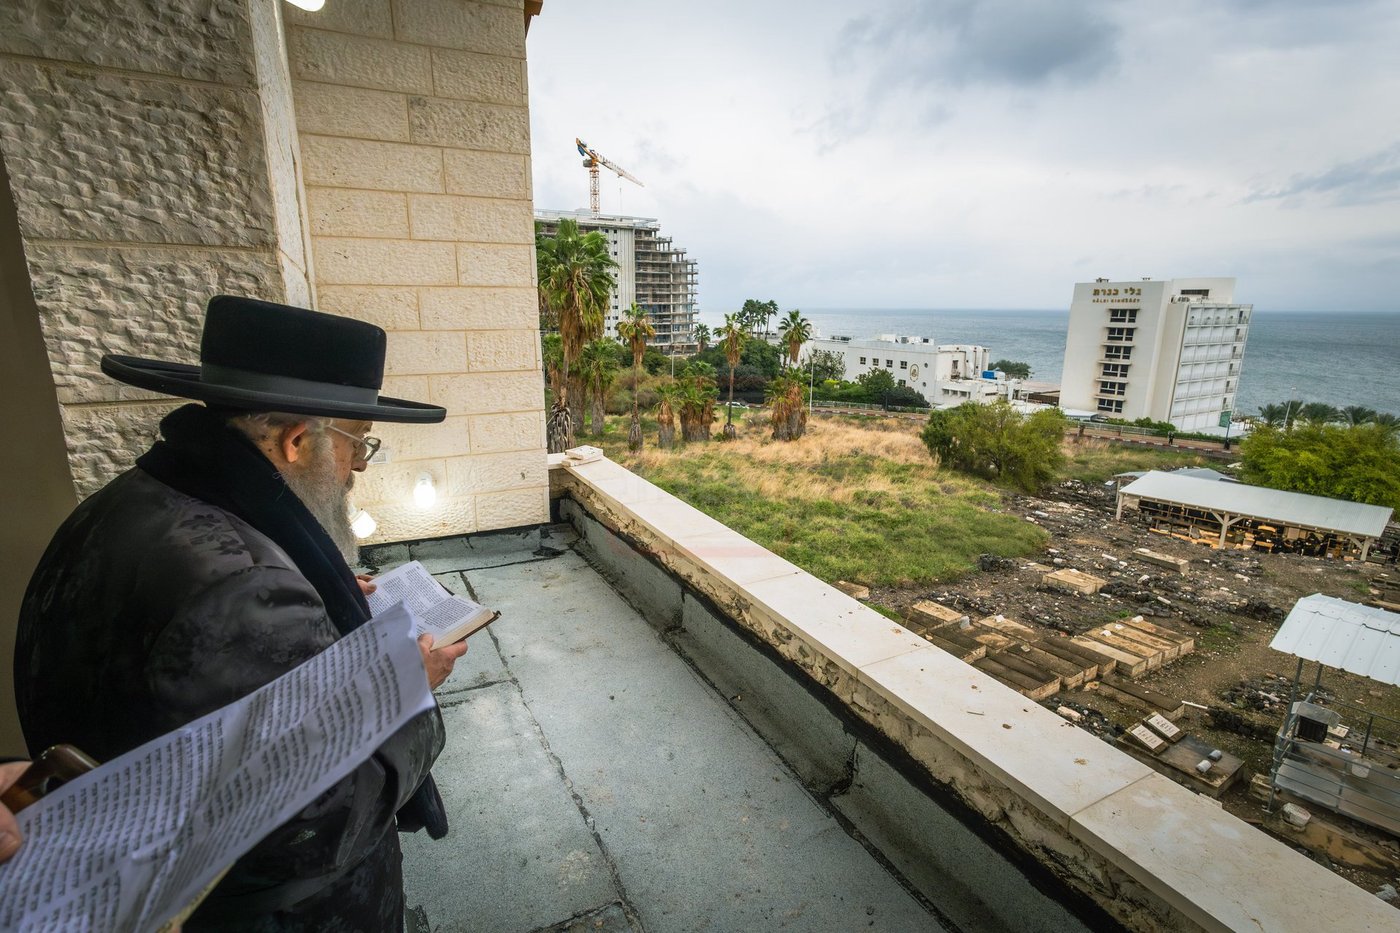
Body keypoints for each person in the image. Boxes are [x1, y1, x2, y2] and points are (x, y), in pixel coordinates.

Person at [14, 296, 467, 930]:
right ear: (297, 441)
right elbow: (305, 831)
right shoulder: (243, 587)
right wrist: (407, 691)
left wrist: (313, 595)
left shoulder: (139, 499)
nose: (356, 471)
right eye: (357, 447)